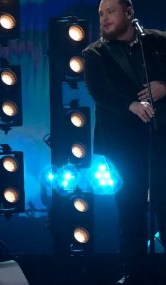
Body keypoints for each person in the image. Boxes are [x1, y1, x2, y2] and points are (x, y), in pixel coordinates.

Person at [83, 0, 166, 284]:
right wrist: (130, 104)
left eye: (110, 12)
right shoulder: (94, 54)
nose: (104, 18)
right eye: (101, 14)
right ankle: (133, 273)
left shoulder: (157, 42)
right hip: (123, 142)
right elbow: (100, 92)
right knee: (130, 206)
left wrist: (164, 86)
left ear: (129, 13)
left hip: (160, 138)